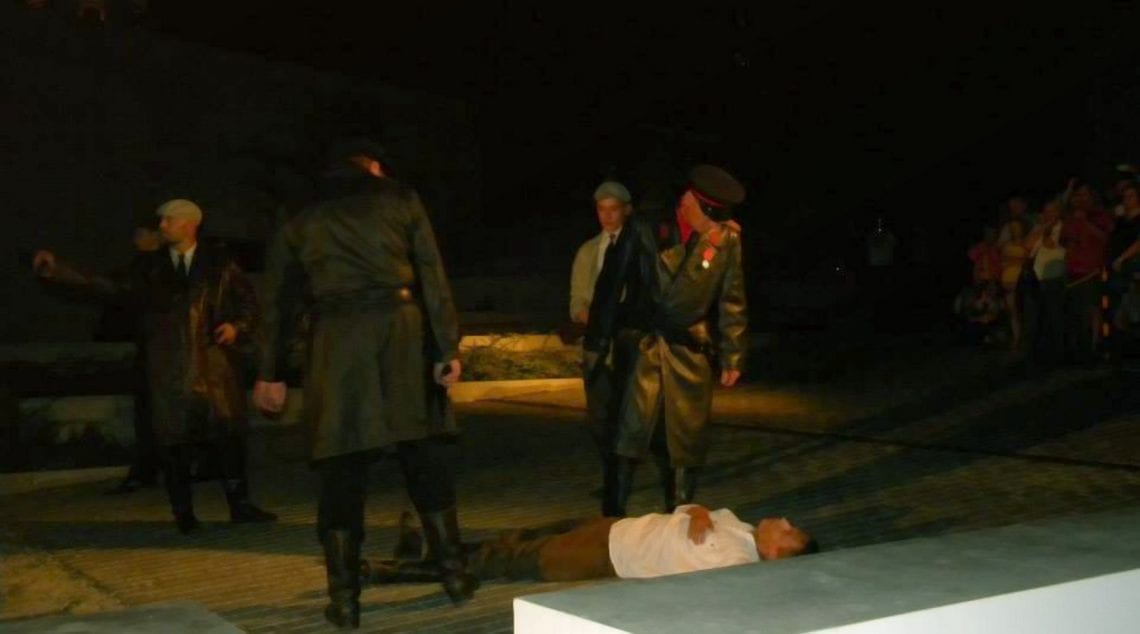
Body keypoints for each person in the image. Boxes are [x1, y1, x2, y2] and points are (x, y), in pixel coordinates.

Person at [251, 139, 476, 629]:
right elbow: (432, 274)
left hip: (337, 339)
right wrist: (446, 348)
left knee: (341, 465)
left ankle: (345, 599)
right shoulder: (399, 196)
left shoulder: (299, 209)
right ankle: (455, 575)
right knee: (422, 452)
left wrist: (270, 371)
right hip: (401, 331)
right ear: (373, 166)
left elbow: (278, 297)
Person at [33, 199, 276, 533]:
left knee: (228, 436)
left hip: (215, 366)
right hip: (168, 365)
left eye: (168, 220)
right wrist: (59, 270)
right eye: (161, 221)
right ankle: (184, 514)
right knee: (174, 441)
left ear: (190, 223)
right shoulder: (149, 268)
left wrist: (236, 327)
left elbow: (249, 304)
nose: (162, 226)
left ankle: (240, 505)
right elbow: (105, 285)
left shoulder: (219, 264)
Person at [584, 164, 748, 517]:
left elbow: (732, 299)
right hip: (643, 344)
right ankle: (612, 517)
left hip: (689, 348)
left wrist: (733, 354)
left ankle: (681, 517)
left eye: (718, 221)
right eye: (709, 219)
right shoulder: (644, 227)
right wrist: (596, 344)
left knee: (686, 438)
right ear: (689, 202)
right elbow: (610, 286)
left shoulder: (726, 239)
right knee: (627, 436)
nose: (714, 228)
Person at [362, 505, 816, 584]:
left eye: (788, 531)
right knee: (511, 540)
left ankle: (386, 572)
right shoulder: (738, 526)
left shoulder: (737, 564)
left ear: (775, 555)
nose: (784, 521)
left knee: (499, 562)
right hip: (614, 527)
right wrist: (697, 513)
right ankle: (422, 551)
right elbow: (692, 508)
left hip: (604, 556)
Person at [570, 180, 634, 516]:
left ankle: (618, 488)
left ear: (625, 210)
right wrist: (593, 316)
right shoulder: (588, 251)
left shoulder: (636, 248)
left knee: (626, 420)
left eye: (613, 209)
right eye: (601, 209)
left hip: (627, 348)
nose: (607, 216)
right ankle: (611, 477)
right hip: (596, 348)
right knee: (599, 420)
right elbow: (576, 302)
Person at [95, 225, 163, 494]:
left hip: (163, 351)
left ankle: (152, 469)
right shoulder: (143, 267)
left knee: (156, 412)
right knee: (148, 411)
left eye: (142, 232)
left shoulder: (160, 266)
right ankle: (150, 468)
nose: (136, 237)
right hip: (150, 349)